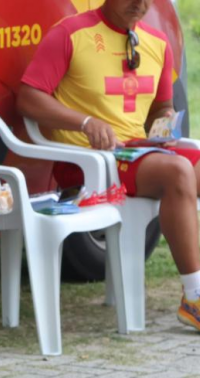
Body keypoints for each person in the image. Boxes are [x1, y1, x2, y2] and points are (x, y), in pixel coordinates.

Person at [17, 0, 200, 332]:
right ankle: (195, 297)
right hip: (88, 162)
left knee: (185, 170)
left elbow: (162, 108)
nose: (141, 5)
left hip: (138, 153)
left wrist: (165, 125)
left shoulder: (157, 42)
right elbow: (29, 98)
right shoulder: (70, 34)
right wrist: (85, 122)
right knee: (177, 173)